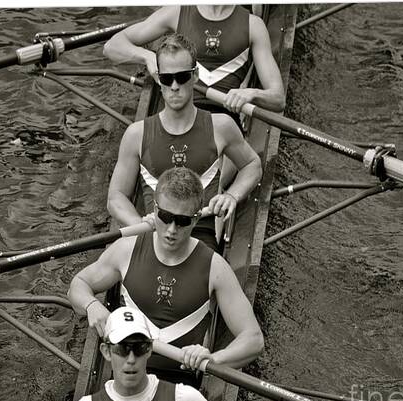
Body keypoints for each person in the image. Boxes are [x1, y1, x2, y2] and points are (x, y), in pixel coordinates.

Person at [69, 167, 264, 381]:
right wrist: (91, 305)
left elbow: (253, 339)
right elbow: (78, 284)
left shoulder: (215, 268)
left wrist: (213, 359)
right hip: (127, 376)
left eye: (181, 221)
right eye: (165, 216)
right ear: (154, 209)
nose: (171, 230)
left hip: (180, 383)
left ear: (197, 219)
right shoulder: (125, 250)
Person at [107, 33, 262, 251]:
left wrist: (232, 196)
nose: (174, 86)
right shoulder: (136, 134)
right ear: (158, 79)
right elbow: (116, 197)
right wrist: (138, 224)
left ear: (196, 76)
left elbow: (252, 165)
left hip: (200, 237)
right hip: (154, 235)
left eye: (182, 77)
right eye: (167, 79)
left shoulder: (221, 126)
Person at [54, 307, 251, 401]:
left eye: (139, 348)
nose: (131, 359)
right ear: (106, 352)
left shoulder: (184, 399)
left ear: (149, 350)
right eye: (122, 349)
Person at [103, 4, 285, 115]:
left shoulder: (253, 25)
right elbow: (112, 47)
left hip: (223, 119)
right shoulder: (176, 13)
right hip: (178, 113)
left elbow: (277, 99)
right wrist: (148, 57)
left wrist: (252, 94)